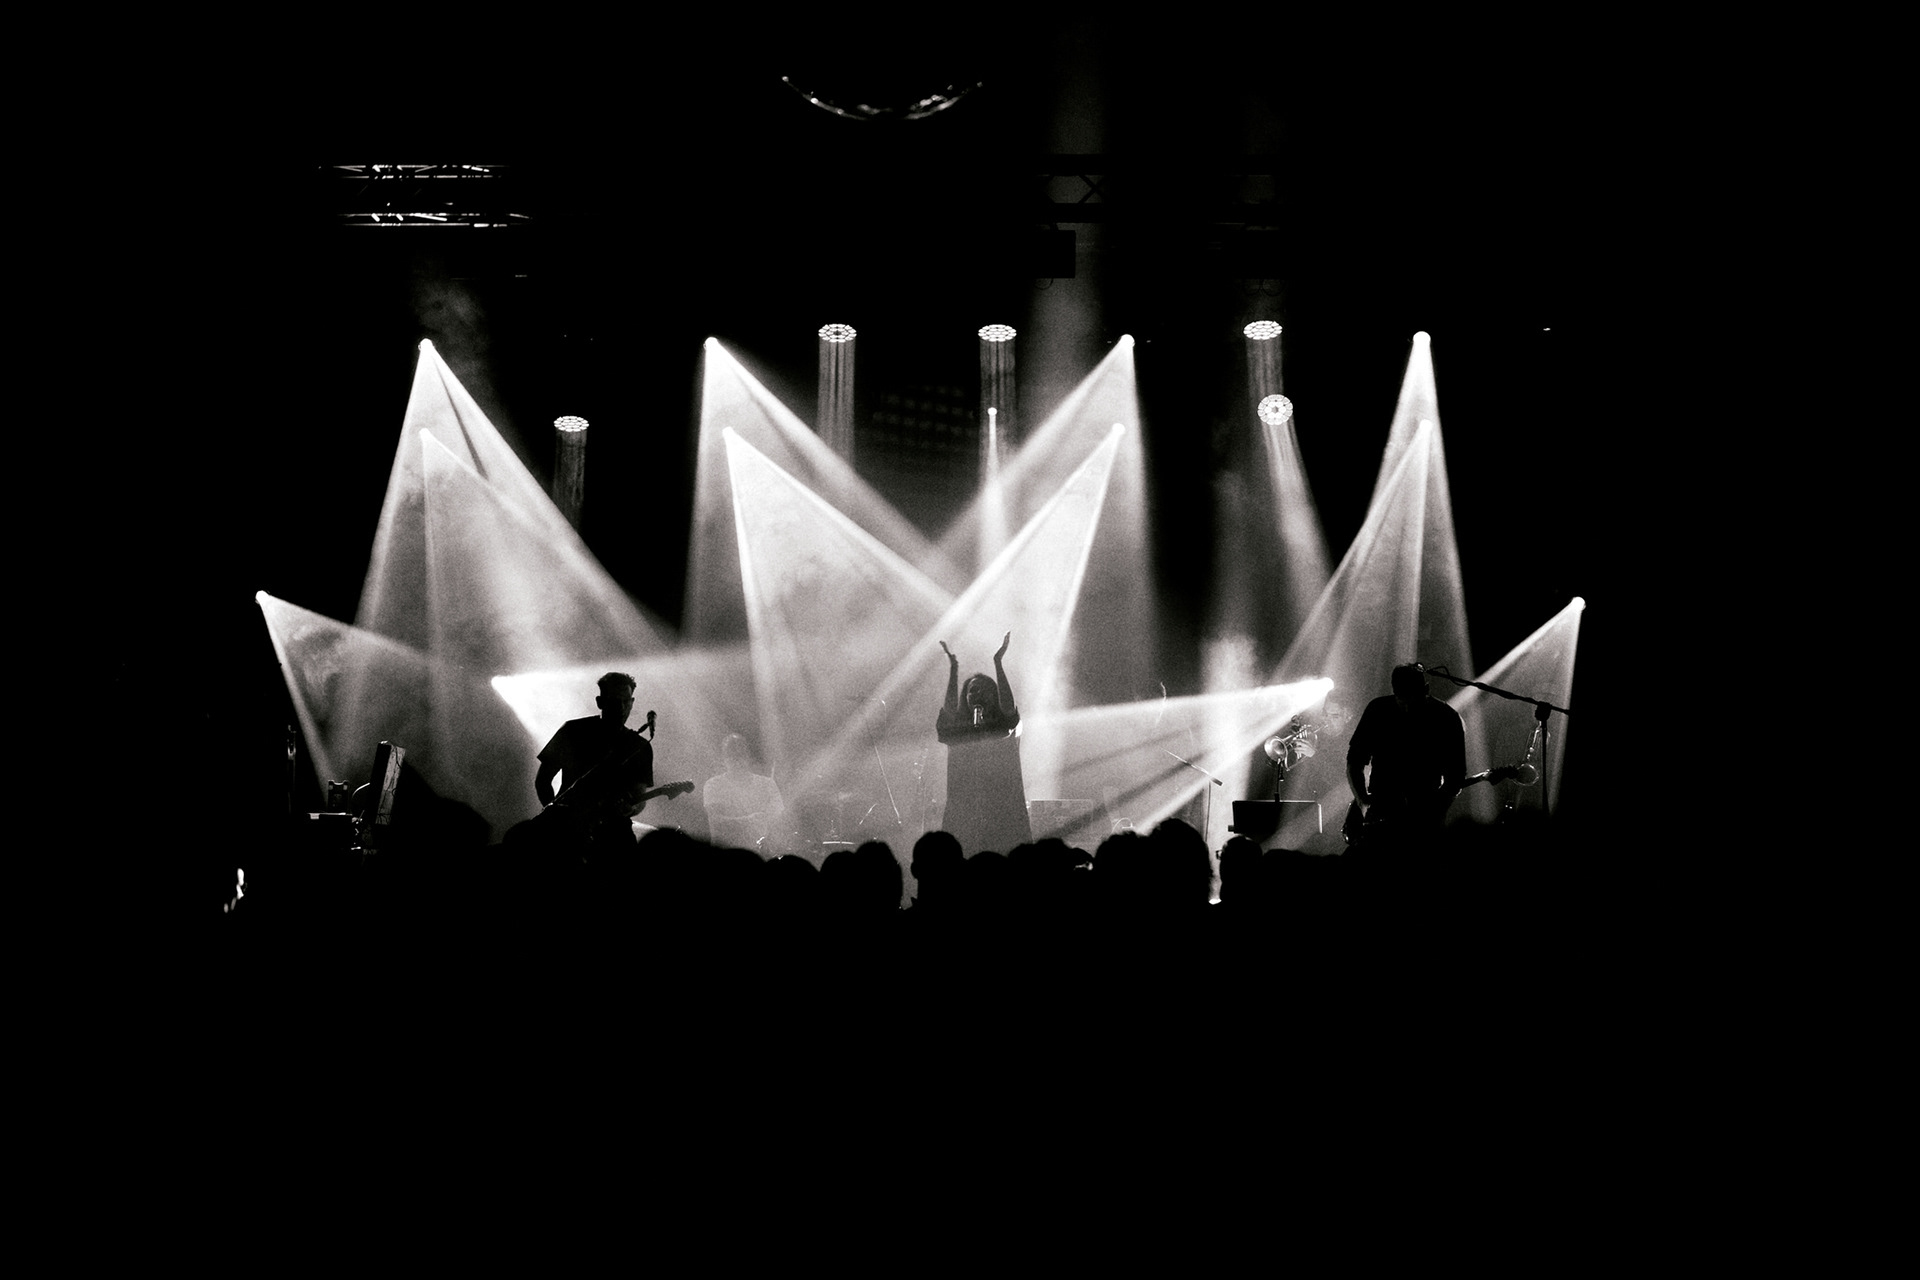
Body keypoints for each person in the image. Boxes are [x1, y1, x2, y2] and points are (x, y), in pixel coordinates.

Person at [1345, 663, 1466, 844]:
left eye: (1414, 702)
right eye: (1402, 701)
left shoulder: (1446, 717)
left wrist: (1435, 810)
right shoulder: (1377, 709)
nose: (1408, 709)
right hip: (1380, 809)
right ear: (1394, 691)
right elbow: (1354, 761)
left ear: (1426, 689)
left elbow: (1456, 777)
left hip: (1423, 817)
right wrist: (1363, 801)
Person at [936, 631, 1030, 856]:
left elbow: (1009, 710)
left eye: (983, 690)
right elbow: (949, 712)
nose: (976, 694)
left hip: (1002, 814)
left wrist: (998, 663)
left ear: (993, 695)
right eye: (971, 691)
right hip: (964, 815)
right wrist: (954, 669)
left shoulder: (1003, 727)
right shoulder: (960, 731)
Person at [533, 671, 653, 849]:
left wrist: (632, 809)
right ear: (600, 702)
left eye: (626, 701)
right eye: (614, 702)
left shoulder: (640, 746)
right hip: (567, 832)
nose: (621, 708)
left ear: (632, 702)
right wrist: (556, 818)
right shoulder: (573, 731)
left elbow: (639, 796)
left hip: (614, 834)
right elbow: (543, 780)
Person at [703, 733, 785, 852]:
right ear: (723, 759)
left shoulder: (768, 784)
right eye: (732, 756)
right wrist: (748, 821)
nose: (737, 761)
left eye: (740, 755)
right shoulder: (713, 785)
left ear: (748, 757)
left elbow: (779, 821)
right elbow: (716, 822)